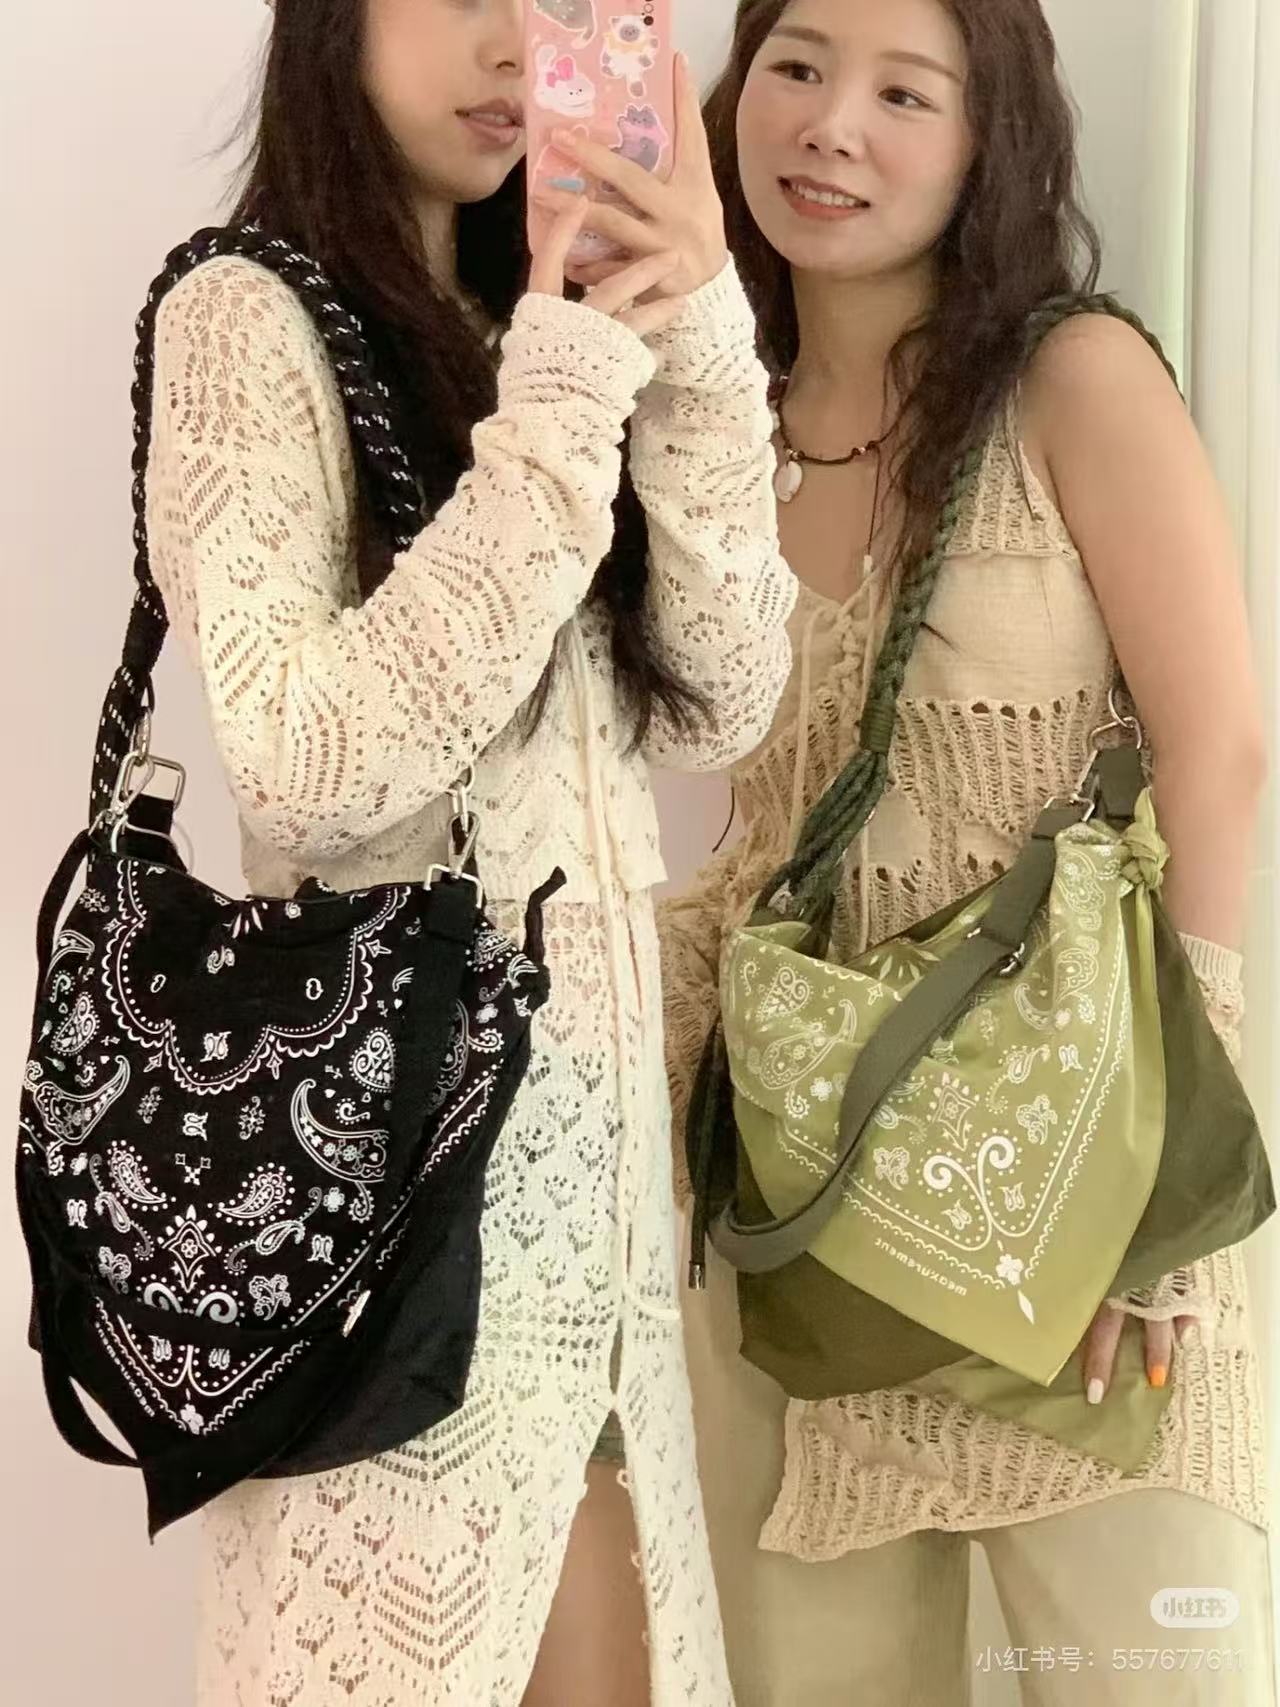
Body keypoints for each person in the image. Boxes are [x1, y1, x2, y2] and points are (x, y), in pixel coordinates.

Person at [146, 1, 796, 1701]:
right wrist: (564, 399)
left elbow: (725, 702)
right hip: (392, 1211)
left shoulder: (539, 317)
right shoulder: (246, 314)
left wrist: (695, 319)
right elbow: (307, 766)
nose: (519, 44)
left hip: (600, 1229)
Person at [659, 1, 1274, 1700]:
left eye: (902, 92)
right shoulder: (712, 417)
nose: (830, 126)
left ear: (988, 137)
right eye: (795, 67)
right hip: (796, 1217)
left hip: (1079, 1202)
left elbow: (1220, 755)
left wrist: (1169, 1196)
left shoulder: (1073, 380)